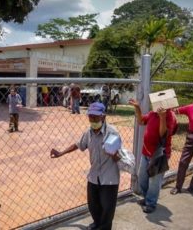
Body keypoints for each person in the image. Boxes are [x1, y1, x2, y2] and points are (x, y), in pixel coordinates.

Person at [50, 102, 120, 230]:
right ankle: (97, 223)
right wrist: (61, 153)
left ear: (103, 117)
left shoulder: (112, 132)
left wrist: (115, 156)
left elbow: (119, 156)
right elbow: (78, 145)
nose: (92, 120)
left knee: (107, 207)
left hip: (109, 177)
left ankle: (104, 227)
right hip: (94, 175)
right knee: (93, 204)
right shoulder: (88, 132)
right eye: (90, 116)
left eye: (95, 117)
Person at [129, 98, 177, 213]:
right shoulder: (152, 113)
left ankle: (151, 203)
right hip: (146, 152)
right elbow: (141, 121)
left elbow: (163, 135)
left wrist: (162, 117)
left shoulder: (170, 116)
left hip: (159, 155)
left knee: (154, 181)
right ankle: (147, 197)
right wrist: (138, 108)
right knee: (142, 178)